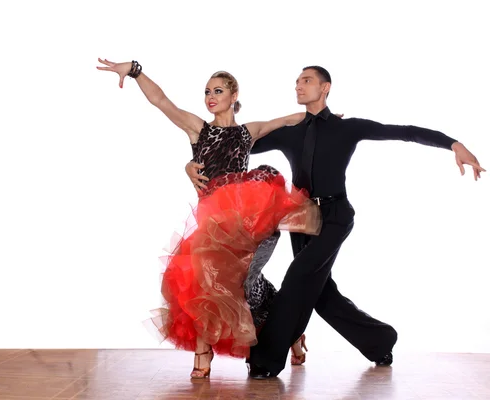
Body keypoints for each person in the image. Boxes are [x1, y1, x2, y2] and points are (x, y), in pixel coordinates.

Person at [185, 66, 485, 378]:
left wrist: (453, 143)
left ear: (325, 87)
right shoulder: (290, 131)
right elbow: (228, 148)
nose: (299, 86)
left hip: (335, 216)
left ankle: (265, 360)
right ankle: (380, 340)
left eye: (307, 81)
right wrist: (190, 164)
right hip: (302, 220)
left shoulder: (347, 128)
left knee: (297, 278)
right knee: (323, 297)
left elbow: (402, 131)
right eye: (297, 81)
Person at [96, 58, 323, 379]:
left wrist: (326, 118)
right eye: (206, 92)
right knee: (204, 284)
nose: (210, 97)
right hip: (212, 228)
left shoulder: (249, 132)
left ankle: (289, 334)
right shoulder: (197, 129)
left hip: (249, 224)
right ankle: (207, 352)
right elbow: (161, 101)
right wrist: (134, 72)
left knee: (244, 286)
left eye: (218, 91)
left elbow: (291, 118)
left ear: (234, 96)